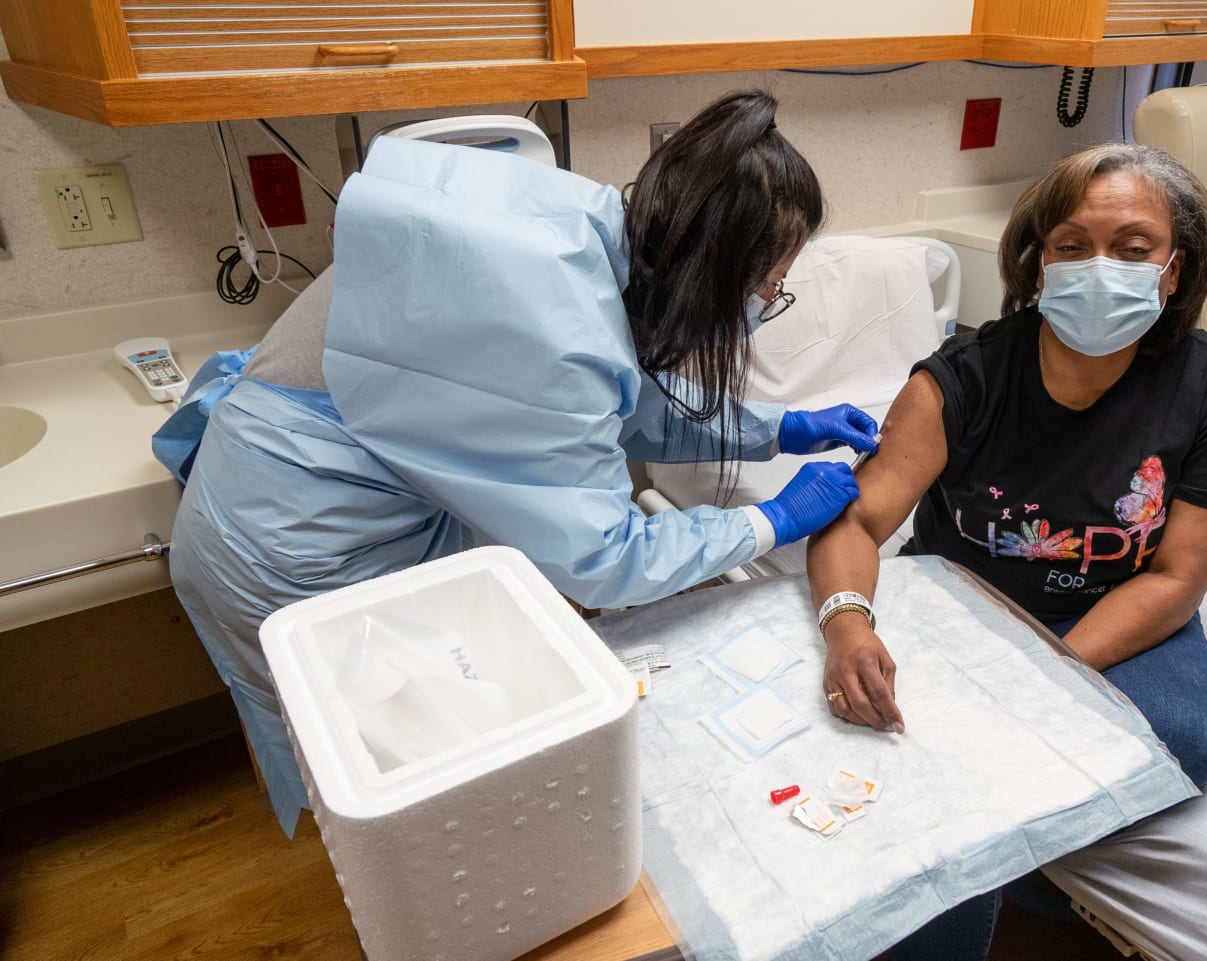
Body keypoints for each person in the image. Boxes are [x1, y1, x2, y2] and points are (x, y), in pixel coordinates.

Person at [154, 90, 876, 834]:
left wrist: (775, 427)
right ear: (712, 272)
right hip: (295, 551)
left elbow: (605, 404)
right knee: (414, 800)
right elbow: (604, 556)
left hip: (265, 493)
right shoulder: (560, 326)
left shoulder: (576, 226)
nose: (769, 301)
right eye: (769, 286)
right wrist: (773, 519)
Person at [804, 142, 1207, 960]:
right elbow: (855, 521)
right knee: (916, 742)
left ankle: (1028, 872)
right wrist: (847, 624)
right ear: (1038, 262)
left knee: (1183, 735)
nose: (1100, 266)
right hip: (964, 602)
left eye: (1133, 248)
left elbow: (1178, 575)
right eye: (1072, 244)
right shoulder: (961, 380)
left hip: (1113, 607)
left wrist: (1045, 679)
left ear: (1175, 270)